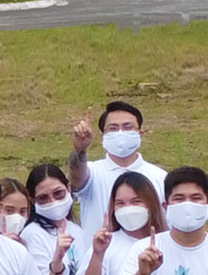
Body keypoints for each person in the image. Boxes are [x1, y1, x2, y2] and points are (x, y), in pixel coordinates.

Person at [70, 100, 168, 233]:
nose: (121, 133)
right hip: (99, 252)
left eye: (128, 127)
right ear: (104, 135)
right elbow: (76, 178)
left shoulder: (160, 177)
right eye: (113, 128)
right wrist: (80, 150)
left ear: (141, 134)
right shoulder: (92, 173)